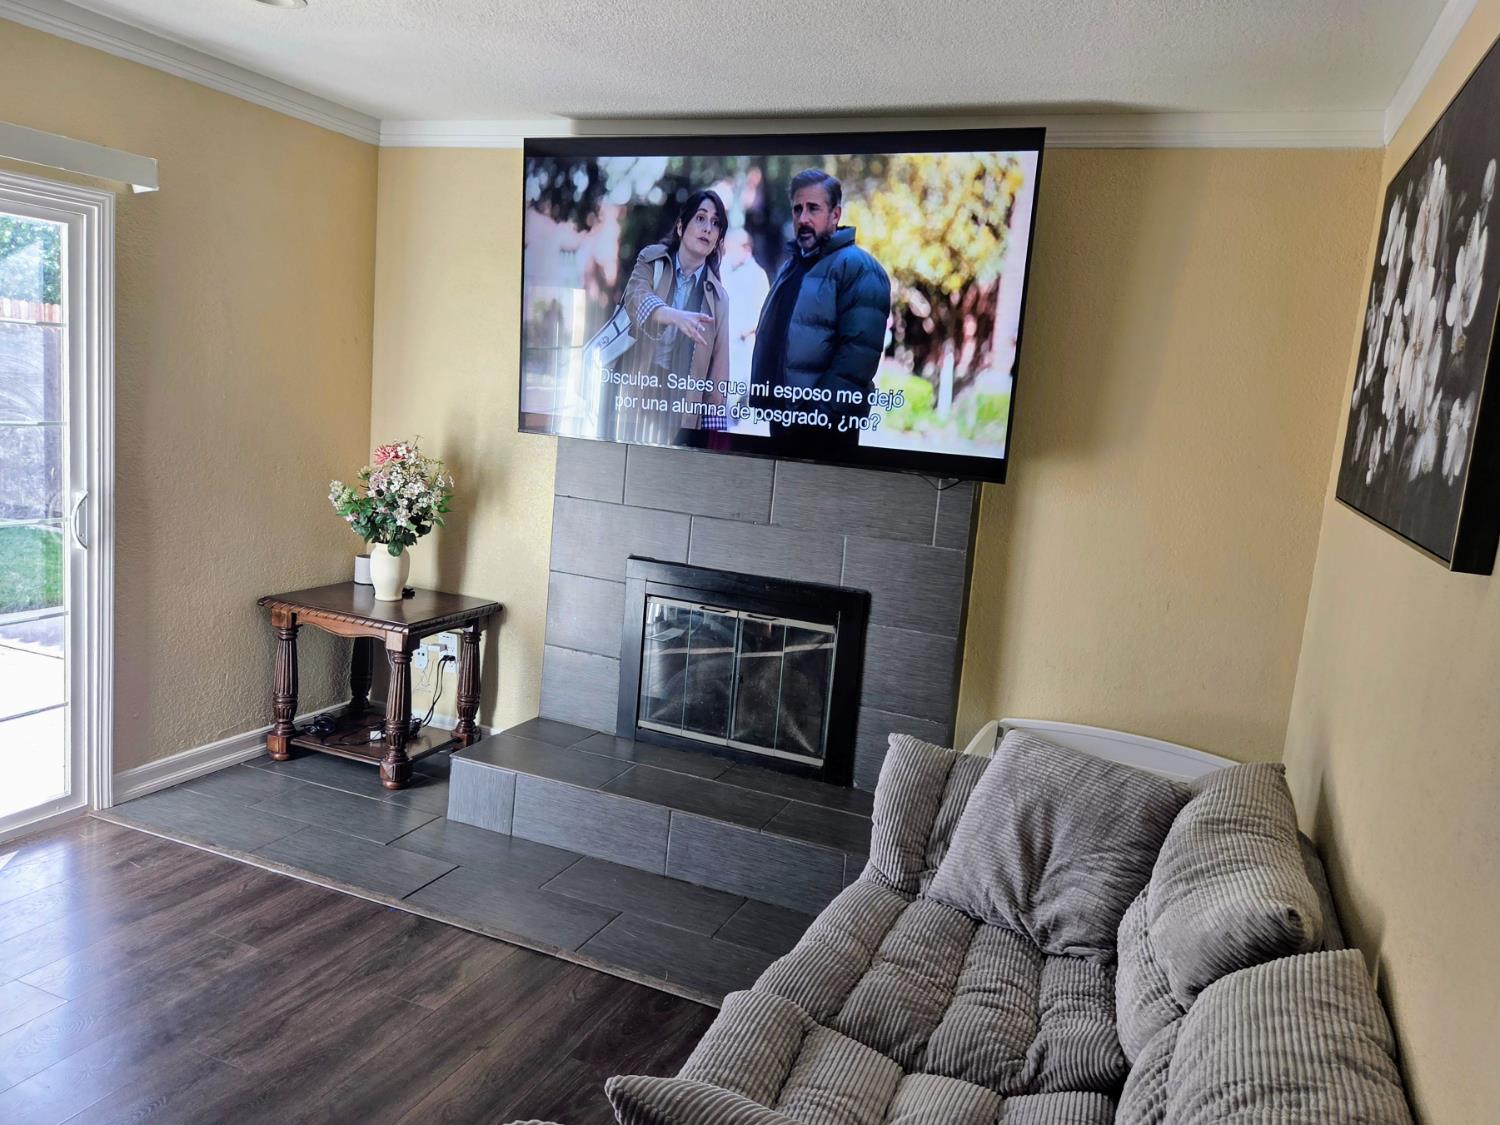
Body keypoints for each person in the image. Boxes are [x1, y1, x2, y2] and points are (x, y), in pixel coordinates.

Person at [750, 169, 891, 454]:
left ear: (835, 215)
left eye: (813, 208)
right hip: (784, 423)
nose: (803, 218)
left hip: (824, 433)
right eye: (798, 209)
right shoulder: (793, 266)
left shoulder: (859, 268)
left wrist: (816, 414)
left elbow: (856, 359)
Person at [616, 189, 731, 445]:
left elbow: (718, 376)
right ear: (681, 227)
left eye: (715, 223)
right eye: (700, 218)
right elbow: (636, 298)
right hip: (637, 394)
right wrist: (673, 316)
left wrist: (715, 439)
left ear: (718, 238)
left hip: (682, 411)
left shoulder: (719, 299)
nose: (707, 228)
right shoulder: (652, 259)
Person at [719, 227, 771, 405]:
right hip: (723, 346)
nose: (728, 254)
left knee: (737, 402)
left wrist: (744, 332)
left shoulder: (758, 275)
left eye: (732, 249)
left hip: (744, 348)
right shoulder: (724, 270)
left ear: (746, 249)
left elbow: (764, 315)